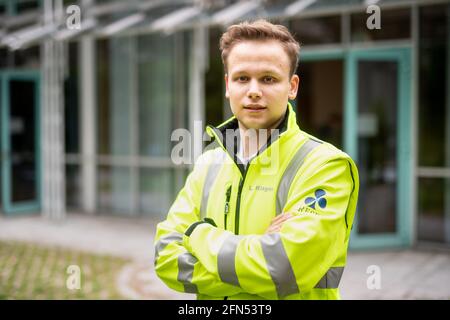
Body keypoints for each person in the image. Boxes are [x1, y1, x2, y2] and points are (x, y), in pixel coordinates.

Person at [154, 19, 359, 300]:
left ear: (292, 86)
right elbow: (166, 259)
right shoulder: (208, 164)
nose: (253, 90)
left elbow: (283, 271)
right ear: (228, 85)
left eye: (268, 79)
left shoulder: (326, 166)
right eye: (242, 78)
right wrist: (260, 252)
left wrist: (197, 234)